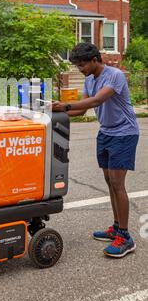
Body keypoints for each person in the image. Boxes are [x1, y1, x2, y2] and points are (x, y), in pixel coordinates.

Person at [52, 43, 139, 258]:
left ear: (94, 60)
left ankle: (125, 238)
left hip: (124, 133)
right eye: (77, 66)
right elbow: (82, 109)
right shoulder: (90, 79)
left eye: (82, 65)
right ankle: (117, 227)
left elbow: (98, 100)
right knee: (110, 181)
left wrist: (64, 105)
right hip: (106, 132)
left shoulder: (114, 75)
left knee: (118, 183)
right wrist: (53, 112)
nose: (80, 69)